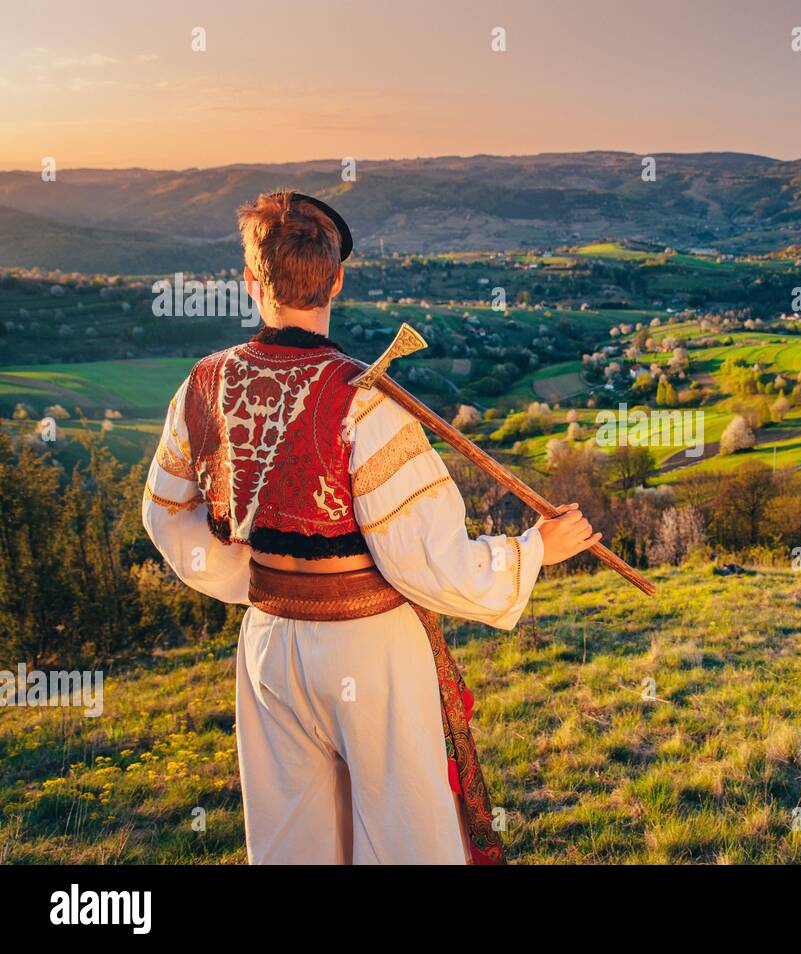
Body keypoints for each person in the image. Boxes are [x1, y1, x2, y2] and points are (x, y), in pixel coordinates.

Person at [141, 190, 599, 864]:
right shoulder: (364, 398)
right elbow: (428, 562)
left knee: (292, 841)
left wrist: (254, 580)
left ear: (250, 281)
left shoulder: (203, 384)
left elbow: (167, 514)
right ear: (337, 279)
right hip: (371, 649)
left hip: (269, 643)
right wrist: (535, 549)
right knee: (403, 838)